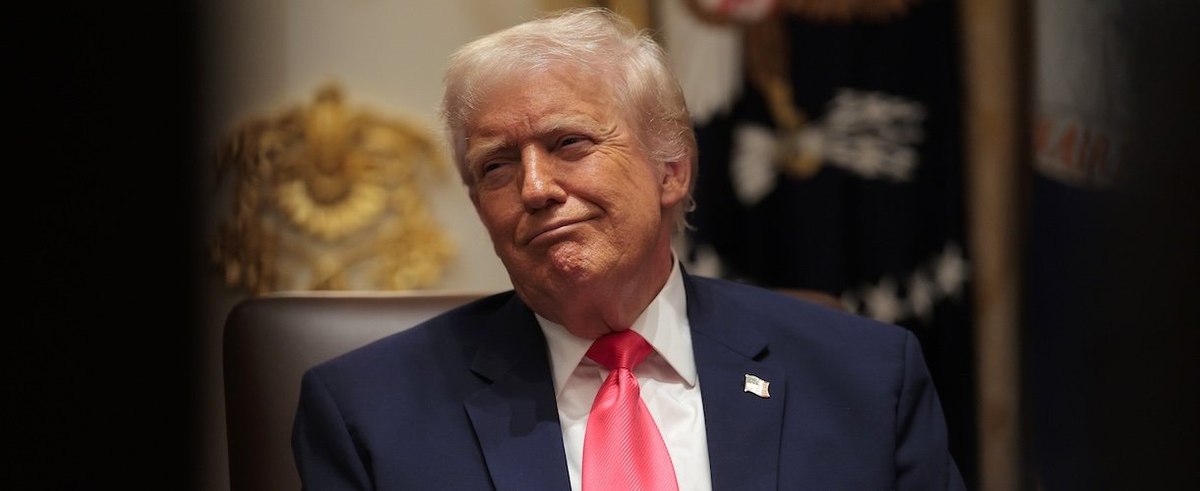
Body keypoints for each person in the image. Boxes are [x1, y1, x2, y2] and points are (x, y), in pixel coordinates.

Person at [292, 7, 966, 490]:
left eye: (569, 144)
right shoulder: (368, 413)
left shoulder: (864, 379)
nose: (534, 187)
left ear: (671, 170)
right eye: (496, 166)